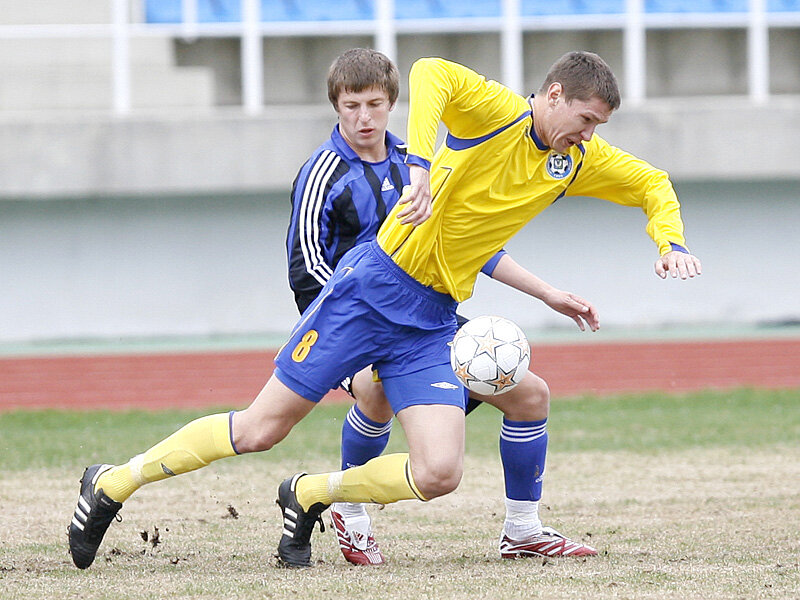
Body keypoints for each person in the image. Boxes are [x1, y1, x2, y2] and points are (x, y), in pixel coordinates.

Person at [67, 50, 701, 572]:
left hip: (430, 320)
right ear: (554, 94)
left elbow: (651, 183)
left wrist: (668, 241)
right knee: (260, 431)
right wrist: (422, 166)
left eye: (598, 127)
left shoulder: (572, 161)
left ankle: (316, 493)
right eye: (585, 118)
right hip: (370, 290)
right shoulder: (498, 113)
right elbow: (429, 72)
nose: (588, 135)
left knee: (441, 472)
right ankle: (113, 483)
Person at [286, 48, 599, 566]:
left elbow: (468, 242)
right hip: (353, 314)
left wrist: (546, 292)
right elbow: (307, 265)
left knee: (531, 396)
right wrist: (346, 329)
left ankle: (522, 530)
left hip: (425, 315)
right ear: (336, 107)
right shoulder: (324, 172)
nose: (364, 117)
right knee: (374, 393)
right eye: (351, 106)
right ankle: (348, 512)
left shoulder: (417, 160)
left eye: (375, 104)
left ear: (393, 105)